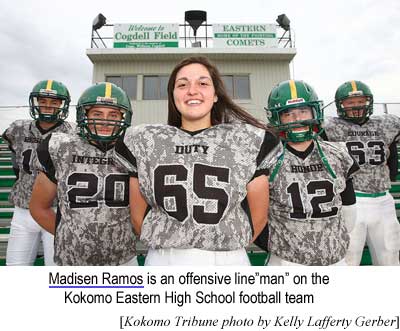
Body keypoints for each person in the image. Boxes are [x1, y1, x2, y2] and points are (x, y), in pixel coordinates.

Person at [114, 56, 279, 265]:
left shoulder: (247, 140)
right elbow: (139, 218)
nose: (192, 91)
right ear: (173, 95)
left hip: (228, 260)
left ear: (216, 94)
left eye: (203, 83)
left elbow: (258, 216)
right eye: (182, 85)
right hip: (165, 260)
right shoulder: (144, 140)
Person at [29, 82, 138, 266]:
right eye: (97, 114)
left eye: (113, 115)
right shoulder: (61, 147)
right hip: (72, 261)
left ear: (123, 118)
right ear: (84, 115)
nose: (105, 121)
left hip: (123, 259)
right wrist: (72, 235)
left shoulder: (133, 149)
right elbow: (39, 208)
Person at [260, 79, 359, 266]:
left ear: (315, 111)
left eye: (303, 111)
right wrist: (280, 246)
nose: (298, 119)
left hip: (334, 259)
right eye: (288, 114)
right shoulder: (266, 159)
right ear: (276, 118)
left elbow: (349, 211)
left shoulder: (338, 154)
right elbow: (257, 216)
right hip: (286, 261)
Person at [323, 80, 400, 265]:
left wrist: (392, 172)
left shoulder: (387, 123)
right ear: (340, 104)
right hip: (351, 200)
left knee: (390, 257)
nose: (356, 106)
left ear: (369, 101)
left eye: (360, 101)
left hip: (383, 200)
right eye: (350, 102)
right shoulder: (331, 126)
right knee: (349, 258)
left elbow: (391, 151)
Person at [2, 80, 73, 266]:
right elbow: (16, 165)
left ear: (62, 105)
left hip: (58, 210)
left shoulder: (72, 133)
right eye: (43, 101)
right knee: (15, 267)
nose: (48, 106)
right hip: (23, 209)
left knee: (56, 269)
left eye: (54, 102)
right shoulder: (18, 129)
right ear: (36, 102)